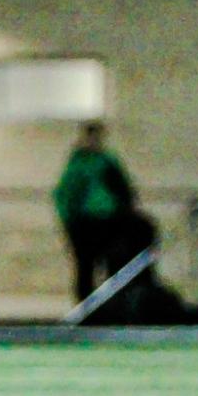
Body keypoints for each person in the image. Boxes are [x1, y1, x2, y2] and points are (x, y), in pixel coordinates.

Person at [53, 121, 137, 302]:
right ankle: (89, 308)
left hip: (107, 221)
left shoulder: (106, 162)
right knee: (86, 268)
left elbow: (124, 192)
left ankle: (110, 306)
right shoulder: (81, 164)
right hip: (86, 222)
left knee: (109, 266)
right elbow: (66, 196)